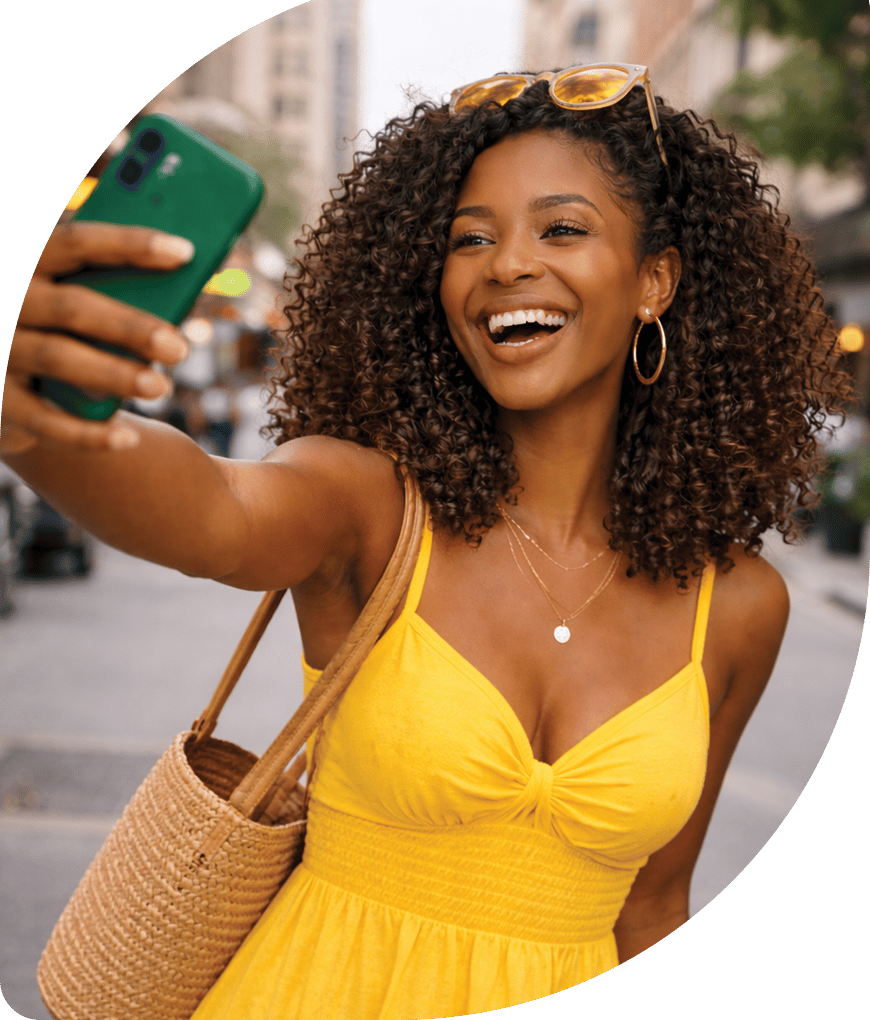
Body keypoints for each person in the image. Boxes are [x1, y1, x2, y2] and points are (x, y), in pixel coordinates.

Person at [0, 66, 852, 1019]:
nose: (506, 264)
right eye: (470, 238)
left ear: (655, 280)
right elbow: (209, 508)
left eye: (560, 229)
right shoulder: (366, 502)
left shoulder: (737, 607)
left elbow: (654, 908)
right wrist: (31, 406)